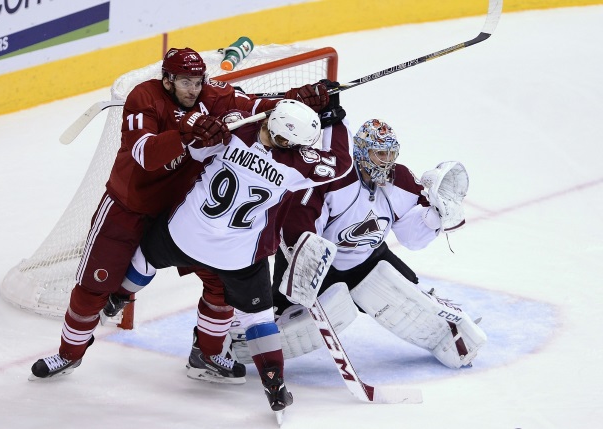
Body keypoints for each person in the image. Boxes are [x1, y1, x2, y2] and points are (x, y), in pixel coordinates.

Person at [29, 47, 330, 381]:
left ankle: (206, 356)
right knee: (93, 288)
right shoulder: (144, 97)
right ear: (168, 80)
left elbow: (257, 108)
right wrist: (187, 135)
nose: (193, 89)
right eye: (185, 81)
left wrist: (296, 101)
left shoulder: (214, 95)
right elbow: (144, 154)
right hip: (129, 208)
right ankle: (68, 354)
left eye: (198, 81)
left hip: (181, 214)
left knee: (220, 288)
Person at [121, 99, 353, 415]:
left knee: (146, 255)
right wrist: (334, 122)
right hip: (237, 256)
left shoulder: (233, 128)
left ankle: (118, 296)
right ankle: (275, 385)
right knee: (258, 318)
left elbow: (198, 144)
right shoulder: (296, 164)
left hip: (185, 234)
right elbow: (340, 163)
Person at [231, 114, 487, 370]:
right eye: (380, 154)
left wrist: (435, 217)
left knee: (410, 294)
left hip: (368, 259)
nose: (387, 161)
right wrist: (307, 261)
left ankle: (448, 338)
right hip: (318, 263)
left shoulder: (401, 179)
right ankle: (238, 339)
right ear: (362, 152)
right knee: (285, 316)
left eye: (390, 154)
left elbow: (412, 238)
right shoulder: (335, 178)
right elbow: (298, 226)